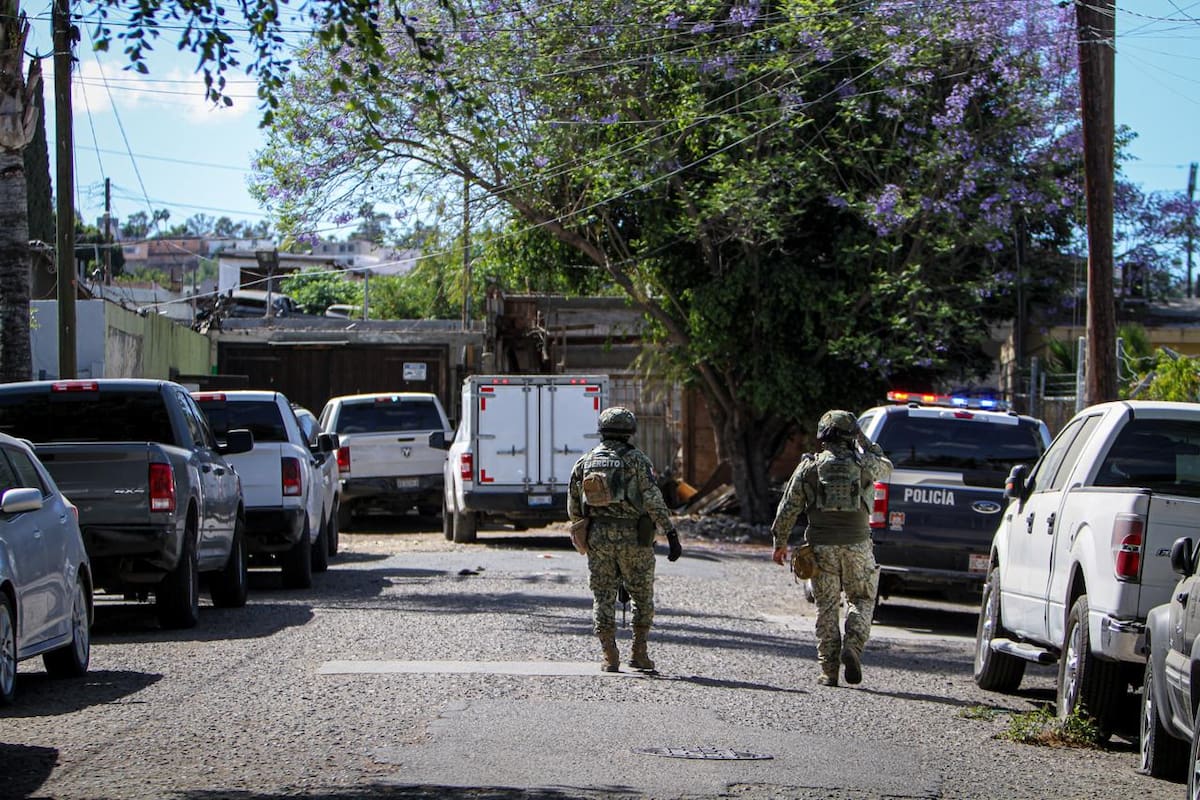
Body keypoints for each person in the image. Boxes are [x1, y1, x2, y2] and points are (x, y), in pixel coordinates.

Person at [770, 410, 893, 687]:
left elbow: (788, 507)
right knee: (861, 599)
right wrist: (864, 440)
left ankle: (829, 671)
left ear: (822, 435)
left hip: (821, 546)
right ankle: (853, 646)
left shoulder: (810, 467)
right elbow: (887, 467)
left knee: (826, 607)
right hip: (858, 544)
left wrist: (779, 543)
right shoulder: (865, 464)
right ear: (852, 435)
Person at [568, 406, 681, 673]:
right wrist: (671, 532)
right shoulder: (638, 460)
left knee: (602, 595)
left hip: (599, 538)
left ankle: (609, 655)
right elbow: (653, 500)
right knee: (642, 595)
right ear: (630, 431)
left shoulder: (585, 462)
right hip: (635, 539)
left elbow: (574, 507)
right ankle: (639, 652)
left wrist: (583, 533)